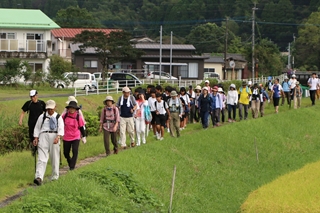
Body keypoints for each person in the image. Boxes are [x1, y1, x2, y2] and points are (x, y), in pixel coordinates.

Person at [33, 100, 64, 185]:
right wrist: (36, 138)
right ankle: (39, 177)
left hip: (54, 136)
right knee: (41, 157)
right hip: (43, 136)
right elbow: (37, 127)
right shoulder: (42, 117)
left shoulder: (58, 117)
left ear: (55, 107)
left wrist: (58, 136)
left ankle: (55, 176)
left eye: (51, 109)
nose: (50, 111)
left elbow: (61, 128)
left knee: (54, 157)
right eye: (48, 109)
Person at [62, 101, 86, 170]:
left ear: (76, 109)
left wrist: (84, 136)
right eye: (70, 108)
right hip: (66, 136)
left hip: (76, 136)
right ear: (68, 108)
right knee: (66, 153)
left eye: (73, 108)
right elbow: (60, 124)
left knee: (75, 151)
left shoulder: (78, 117)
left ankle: (72, 167)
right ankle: (70, 162)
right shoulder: (65, 116)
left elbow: (81, 127)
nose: (72, 110)